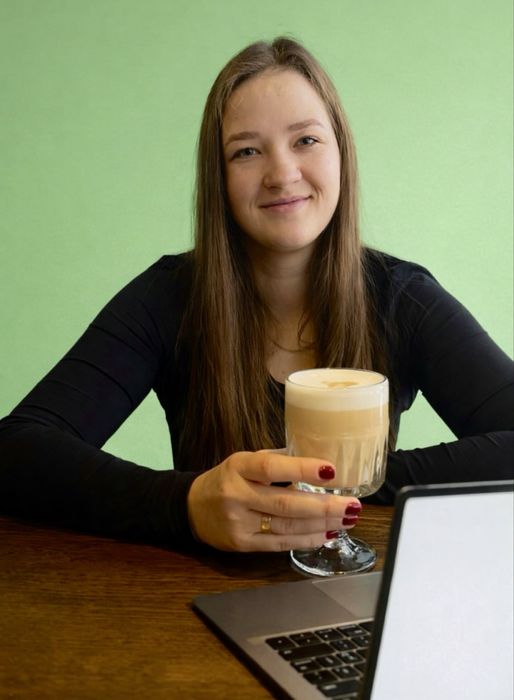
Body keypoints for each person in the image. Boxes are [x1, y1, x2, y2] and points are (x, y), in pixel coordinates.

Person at [0, 38, 512, 553]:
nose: (282, 174)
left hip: (351, 582)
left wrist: (351, 482)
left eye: (306, 140)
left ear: (341, 152)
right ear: (219, 178)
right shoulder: (168, 297)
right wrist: (187, 505)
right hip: (200, 589)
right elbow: (16, 449)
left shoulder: (402, 298)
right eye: (246, 151)